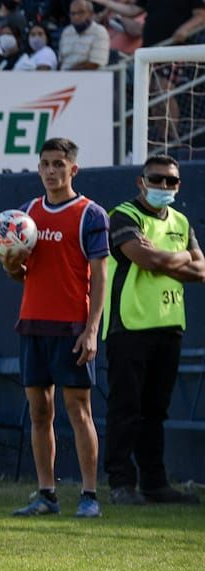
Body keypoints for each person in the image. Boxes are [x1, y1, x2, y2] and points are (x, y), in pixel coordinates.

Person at [0, 138, 108, 519]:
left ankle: (89, 494)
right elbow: (20, 274)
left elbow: (100, 278)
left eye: (59, 164)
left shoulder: (91, 214)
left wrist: (91, 330)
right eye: (45, 164)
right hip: (32, 325)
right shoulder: (26, 215)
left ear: (73, 169)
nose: (51, 171)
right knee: (40, 411)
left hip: (72, 326)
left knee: (79, 411)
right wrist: (9, 263)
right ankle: (47, 494)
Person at [103, 154, 205, 505]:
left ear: (178, 185)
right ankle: (121, 483)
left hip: (169, 325)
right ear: (141, 182)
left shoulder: (180, 219)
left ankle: (154, 483)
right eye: (157, 179)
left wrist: (164, 257)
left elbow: (201, 270)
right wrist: (177, 258)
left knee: (155, 411)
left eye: (171, 181)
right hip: (129, 325)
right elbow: (146, 259)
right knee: (126, 408)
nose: (164, 186)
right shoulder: (123, 216)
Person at [58, 0, 109, 71]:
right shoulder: (66, 32)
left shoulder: (99, 31)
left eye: (81, 12)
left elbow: (94, 64)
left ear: (91, 14)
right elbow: (61, 61)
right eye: (73, 13)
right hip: (64, 78)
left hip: (89, 78)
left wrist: (69, 72)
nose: (76, 17)